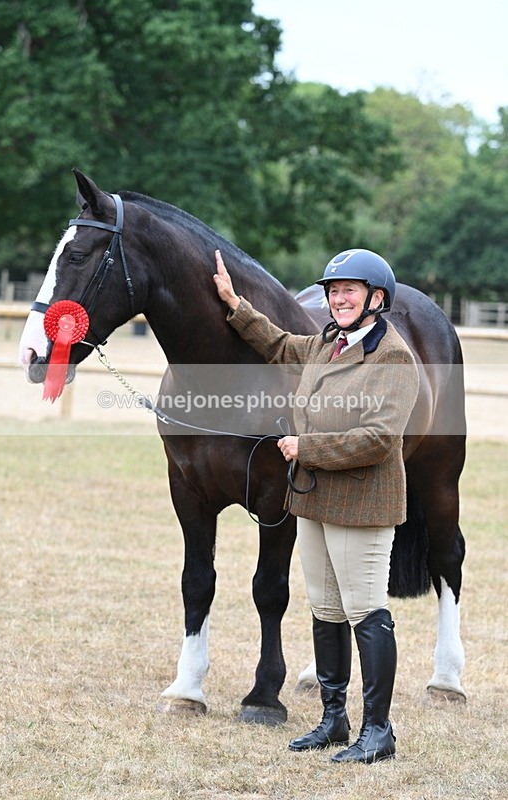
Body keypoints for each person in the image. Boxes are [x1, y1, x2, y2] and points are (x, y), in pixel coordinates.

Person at [213, 247, 419, 764]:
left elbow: (379, 438)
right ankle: (333, 718)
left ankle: (378, 731)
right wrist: (236, 306)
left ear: (377, 298)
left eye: (349, 290)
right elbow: (281, 345)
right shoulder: (329, 342)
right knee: (325, 608)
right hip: (314, 498)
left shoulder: (392, 357)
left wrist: (309, 448)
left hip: (362, 501)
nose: (338, 299)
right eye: (332, 291)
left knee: (365, 610)